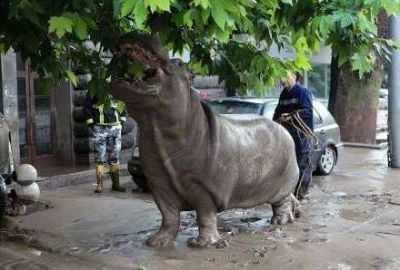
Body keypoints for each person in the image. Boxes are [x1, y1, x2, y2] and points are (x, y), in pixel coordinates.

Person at [273, 71, 314, 199]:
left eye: (286, 76)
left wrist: (289, 117)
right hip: (288, 135)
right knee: (291, 165)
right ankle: (292, 195)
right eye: (281, 77)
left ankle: (301, 195)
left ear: (295, 77)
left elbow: (307, 112)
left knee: (303, 164)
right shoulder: (284, 94)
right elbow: (277, 113)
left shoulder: (303, 92)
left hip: (303, 134)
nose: (282, 79)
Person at [84, 92, 127, 193]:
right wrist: (92, 124)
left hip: (115, 127)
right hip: (100, 127)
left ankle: (116, 184)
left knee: (115, 156)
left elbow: (122, 104)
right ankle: (99, 186)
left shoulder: (117, 87)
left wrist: (122, 120)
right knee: (100, 156)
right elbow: (87, 106)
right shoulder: (94, 88)